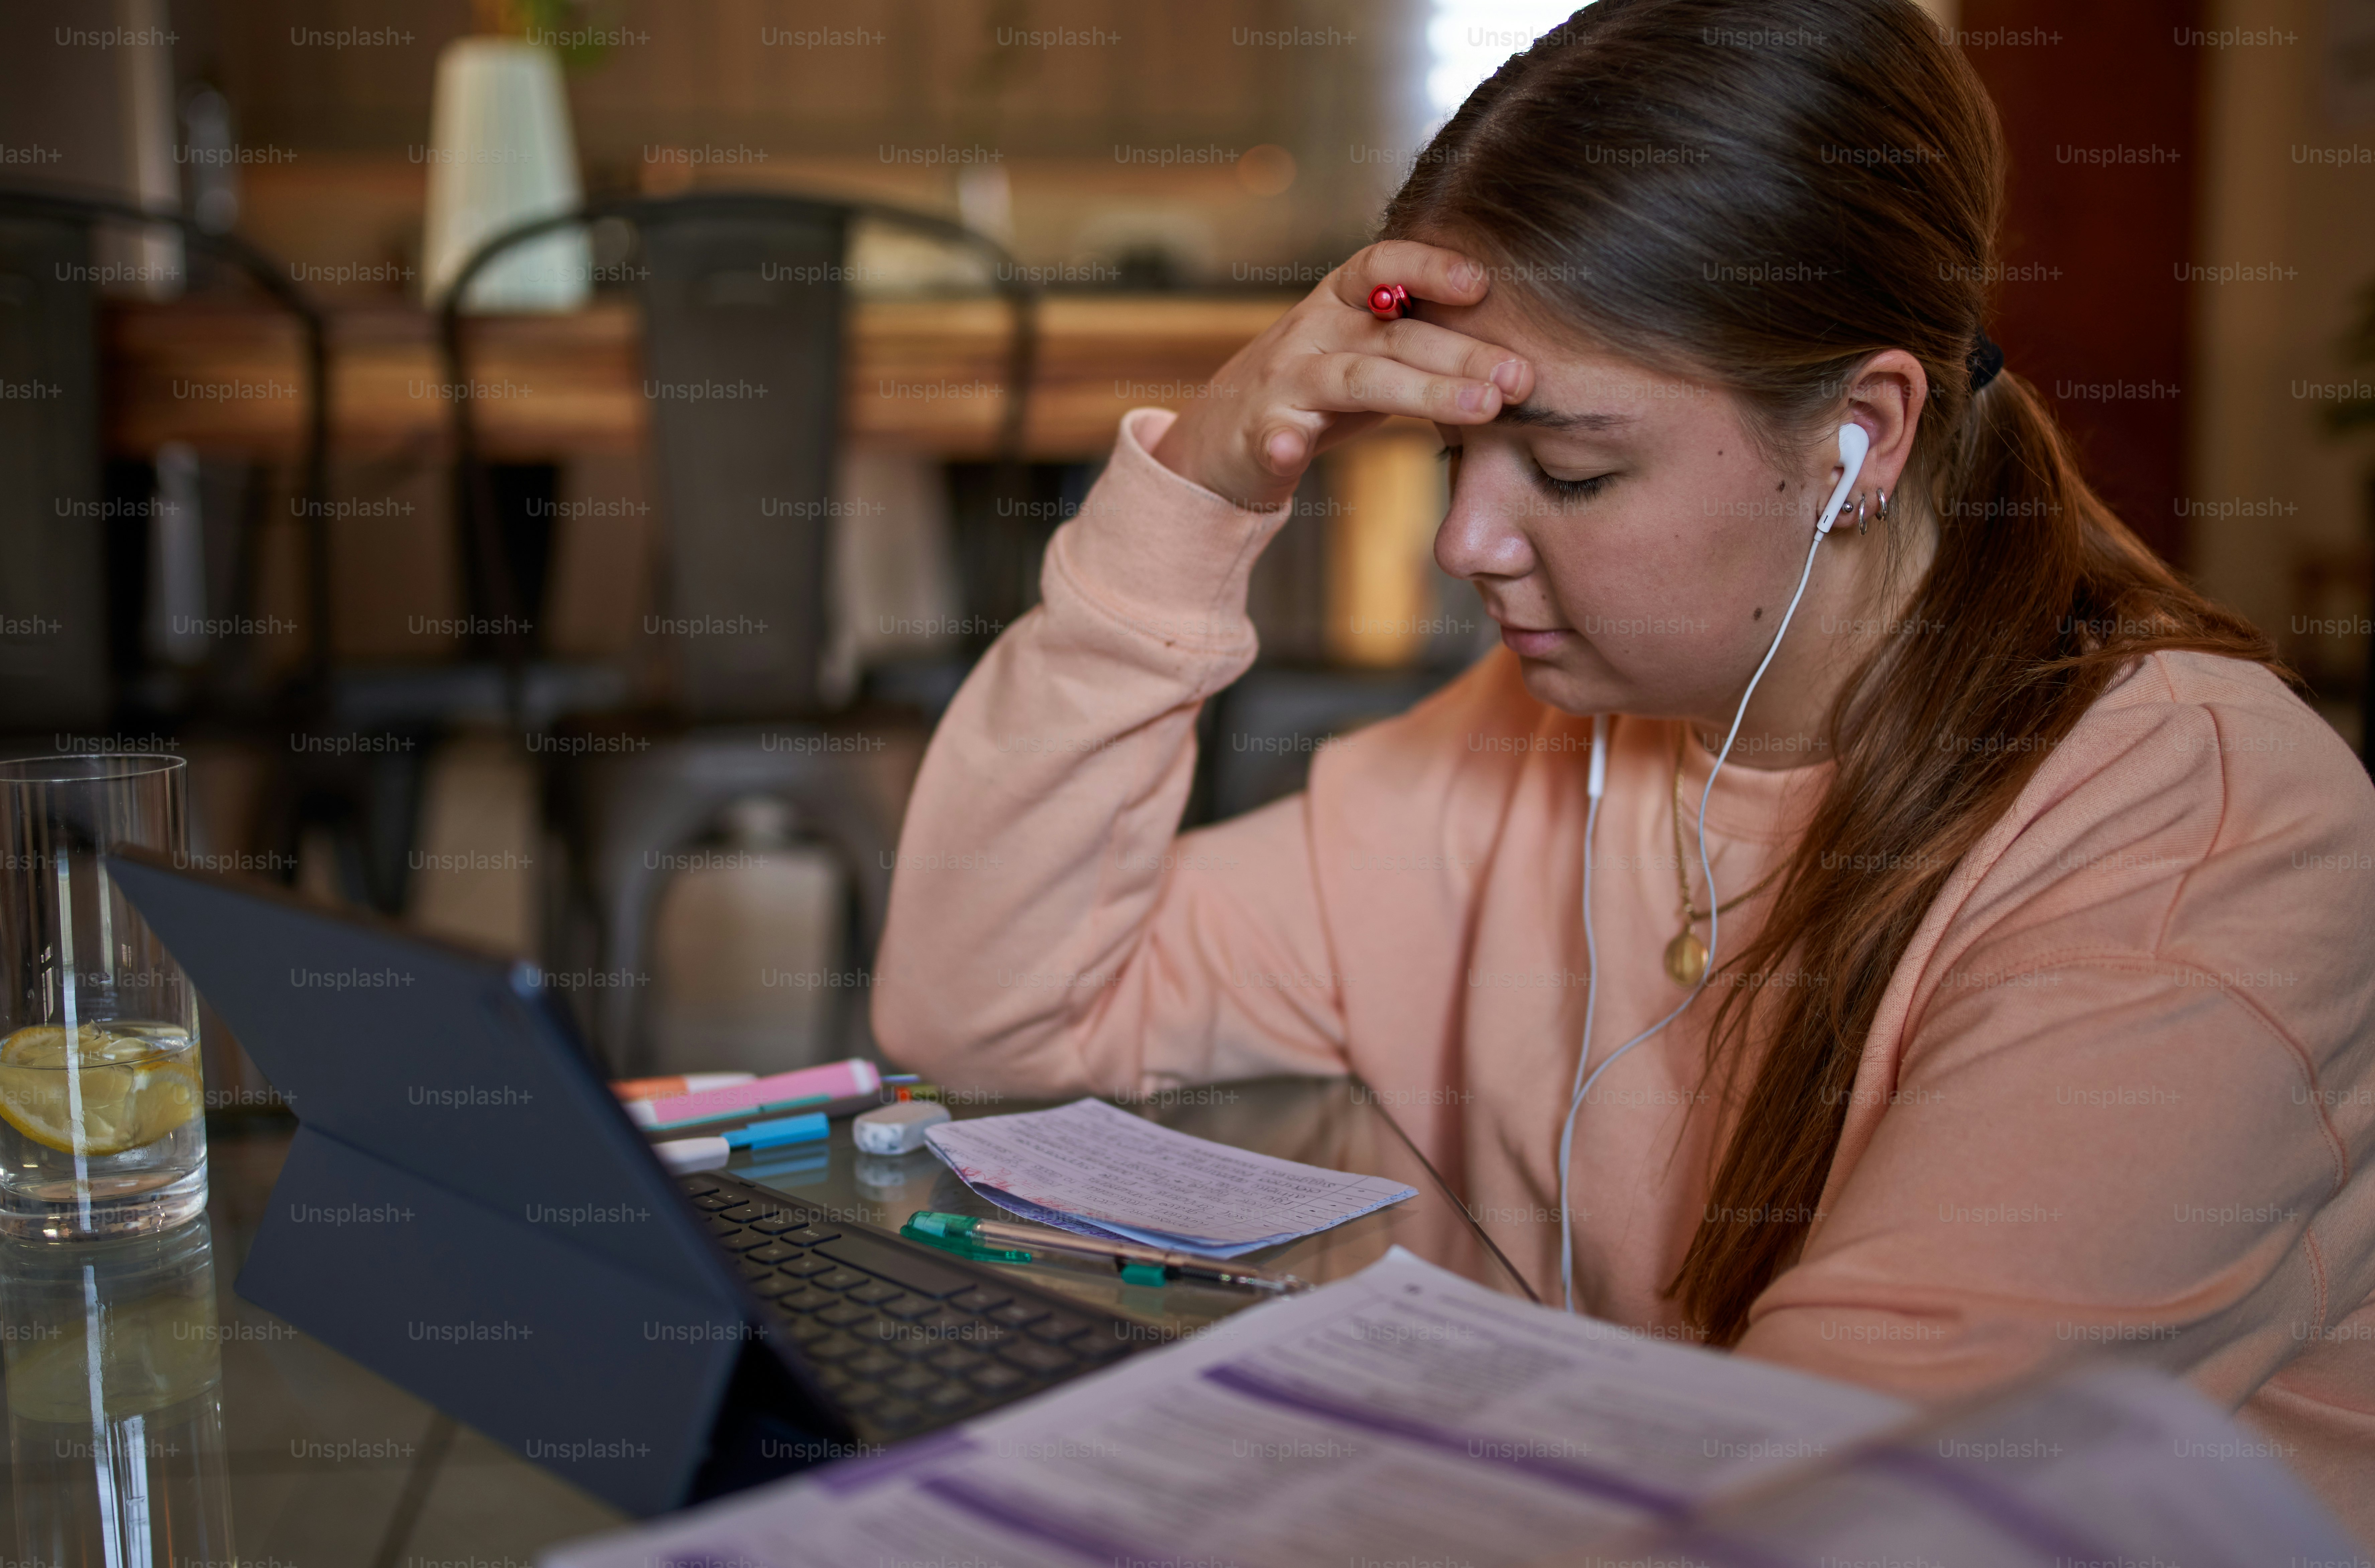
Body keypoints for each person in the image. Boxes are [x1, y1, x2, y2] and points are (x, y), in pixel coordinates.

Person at [872, 0, 2375, 1538]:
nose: (1467, 542)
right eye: (1456, 451)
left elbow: (1827, 1509)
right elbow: (996, 1016)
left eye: (1575, 470)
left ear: (1861, 438)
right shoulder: (1546, 741)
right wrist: (1198, 485)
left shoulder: (2200, 835)